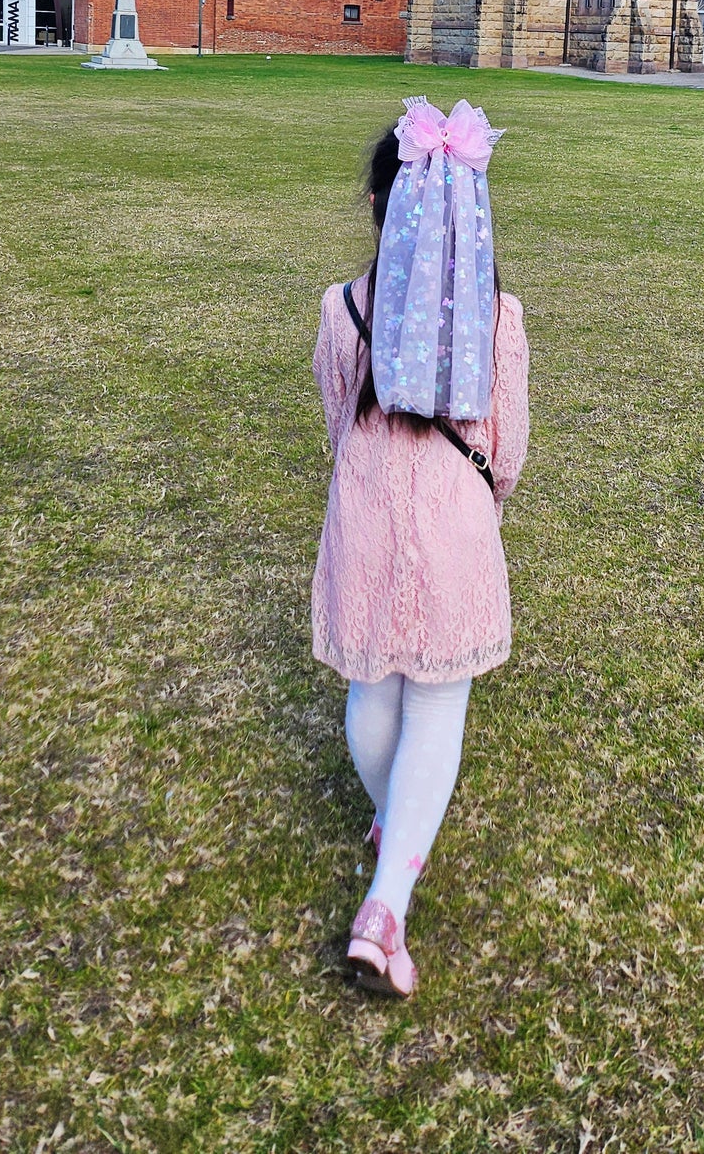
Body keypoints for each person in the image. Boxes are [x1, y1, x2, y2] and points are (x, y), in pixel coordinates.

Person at [311, 97, 530, 997]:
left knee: (373, 694)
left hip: (364, 513)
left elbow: (336, 414)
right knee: (436, 708)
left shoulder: (341, 308)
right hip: (455, 523)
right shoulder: (498, 317)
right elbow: (504, 445)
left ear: (380, 207)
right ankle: (385, 904)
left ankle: (389, 826)